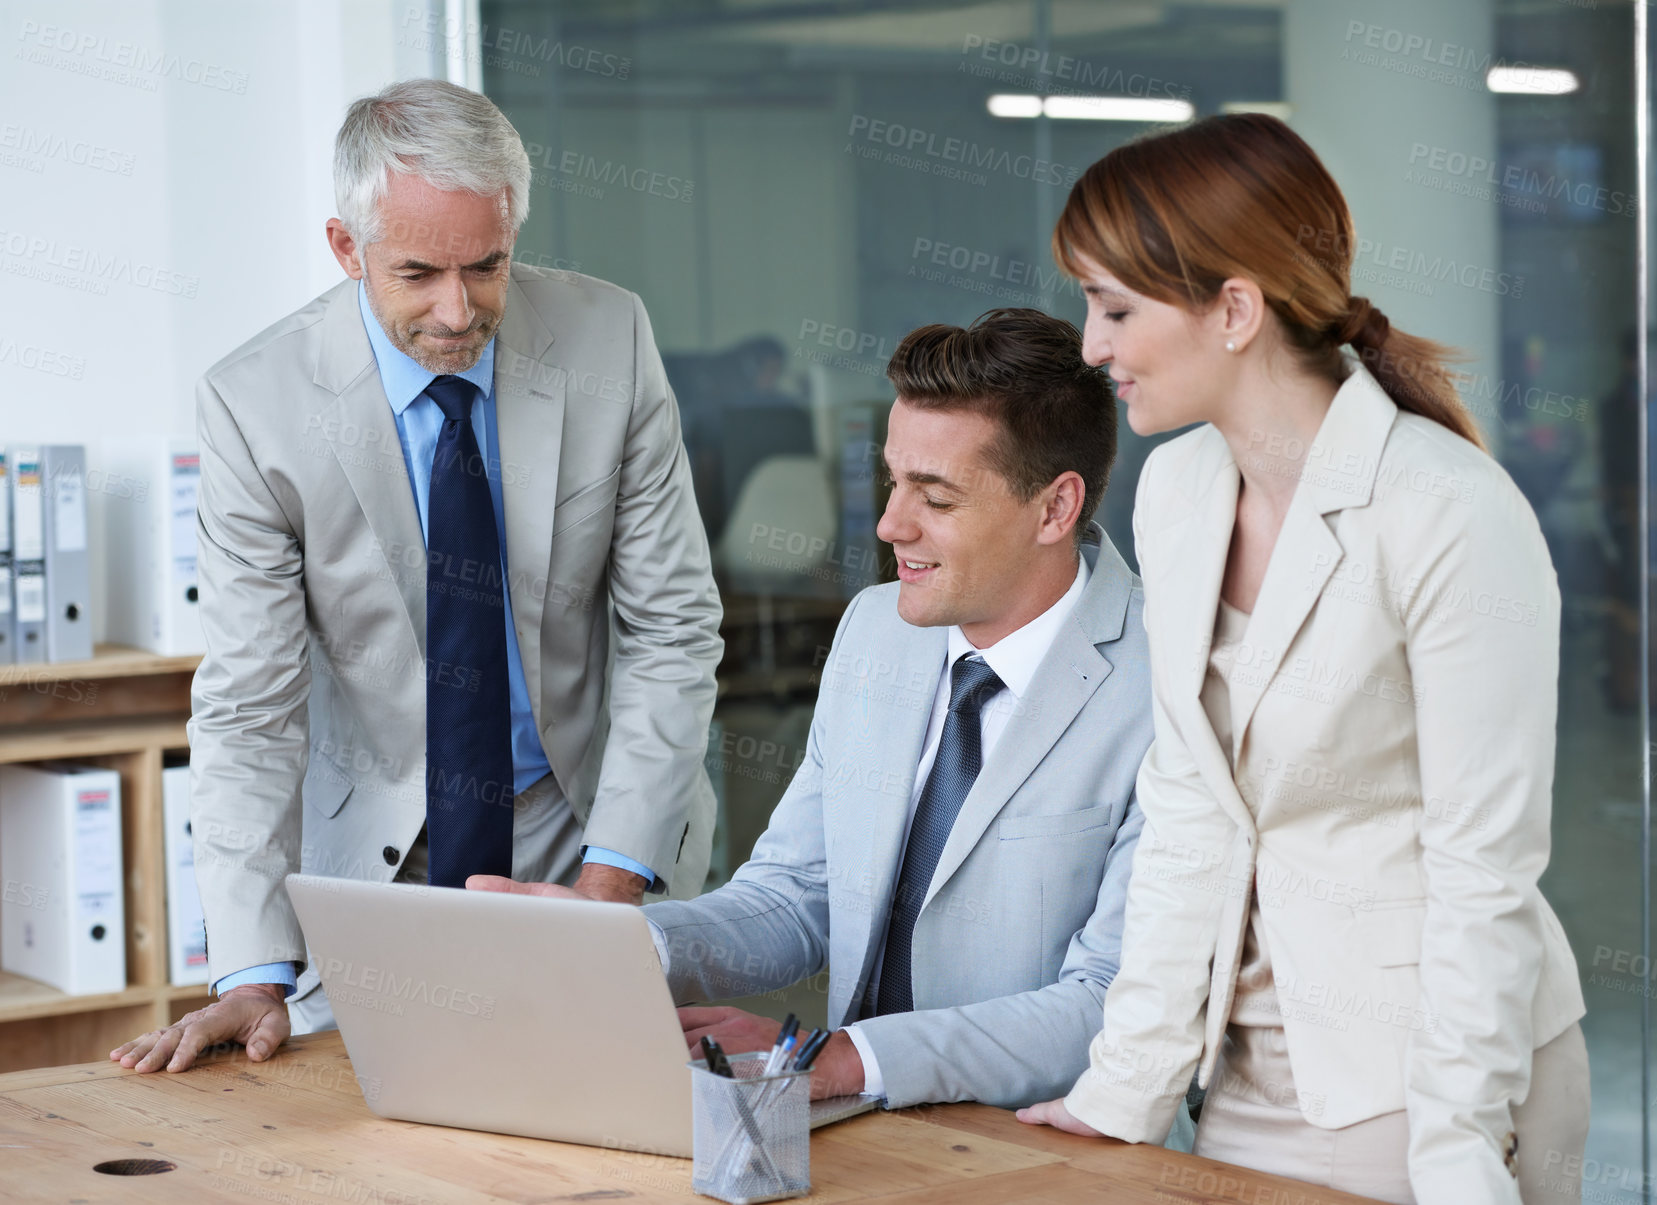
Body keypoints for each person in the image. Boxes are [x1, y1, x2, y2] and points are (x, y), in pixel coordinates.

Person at [1015, 113, 1589, 1205]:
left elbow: (1484, 864)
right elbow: (1188, 803)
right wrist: (1120, 1086)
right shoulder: (1181, 491)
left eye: (1114, 306)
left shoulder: (1447, 510)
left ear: (1234, 309)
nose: (1090, 345)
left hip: (1420, 1074)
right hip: (1237, 1071)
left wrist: (1460, 1149)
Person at [111, 79, 722, 1073]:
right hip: (384, 852)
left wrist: (615, 876)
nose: (458, 308)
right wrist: (254, 970)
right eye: (418, 271)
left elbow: (672, 627)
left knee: (613, 1119)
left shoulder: (608, 338)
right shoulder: (255, 403)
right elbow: (251, 706)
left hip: (587, 821)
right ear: (346, 249)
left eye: (487, 266)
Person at [477, 308, 1155, 1110]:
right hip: (855, 1134)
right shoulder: (876, 629)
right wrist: (629, 942)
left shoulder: (1169, 682)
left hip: (1049, 1151)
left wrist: (842, 1059)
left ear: (1054, 508)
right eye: (893, 480)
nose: (889, 523)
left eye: (934, 497)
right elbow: (796, 893)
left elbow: (1113, 1002)